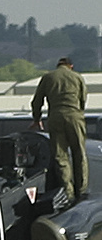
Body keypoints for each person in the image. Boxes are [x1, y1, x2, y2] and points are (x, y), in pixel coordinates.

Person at [31, 56, 89, 201]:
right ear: (71, 66)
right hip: (74, 116)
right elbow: (83, 99)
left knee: (60, 156)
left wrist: (37, 119)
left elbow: (37, 101)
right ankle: (81, 191)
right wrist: (78, 112)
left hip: (55, 117)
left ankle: (68, 192)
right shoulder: (77, 77)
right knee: (79, 154)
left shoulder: (48, 77)